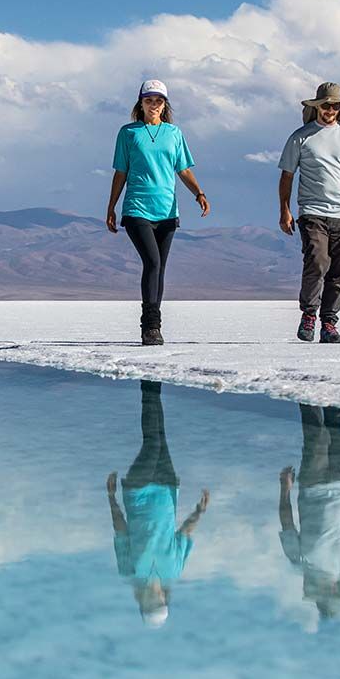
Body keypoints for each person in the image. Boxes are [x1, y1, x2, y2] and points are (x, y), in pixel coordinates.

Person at [107, 79, 211, 346]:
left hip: (166, 210)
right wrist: (111, 206)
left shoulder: (173, 134)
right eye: (149, 100)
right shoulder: (128, 133)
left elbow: (183, 169)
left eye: (159, 101)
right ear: (140, 103)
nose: (154, 105)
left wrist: (198, 192)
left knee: (160, 268)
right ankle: (150, 327)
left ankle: (154, 326)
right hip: (137, 208)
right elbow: (121, 171)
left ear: (165, 105)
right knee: (152, 263)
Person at [277, 83, 340, 343]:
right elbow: (287, 175)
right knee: (317, 262)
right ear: (316, 107)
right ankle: (309, 315)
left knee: (338, 272)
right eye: (326, 105)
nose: (330, 110)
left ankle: (329, 324)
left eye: (335, 106)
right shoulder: (301, 137)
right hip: (312, 212)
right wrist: (285, 210)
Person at [106, 380, 210, 627]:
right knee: (159, 435)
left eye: (150, 604)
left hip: (138, 492)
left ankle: (149, 384)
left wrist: (111, 499)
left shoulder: (129, 571)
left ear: (142, 602)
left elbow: (121, 531)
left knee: (152, 440)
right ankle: (153, 383)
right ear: (165, 599)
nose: (155, 599)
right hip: (167, 488)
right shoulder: (173, 571)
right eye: (159, 603)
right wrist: (199, 511)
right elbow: (183, 534)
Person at [278, 404, 340, 620]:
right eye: (334, 594)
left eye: (326, 595)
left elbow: (287, 524)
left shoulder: (301, 563)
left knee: (315, 431)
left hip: (312, 483)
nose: (331, 591)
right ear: (338, 590)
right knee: (338, 425)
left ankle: (304, 381)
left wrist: (285, 489)